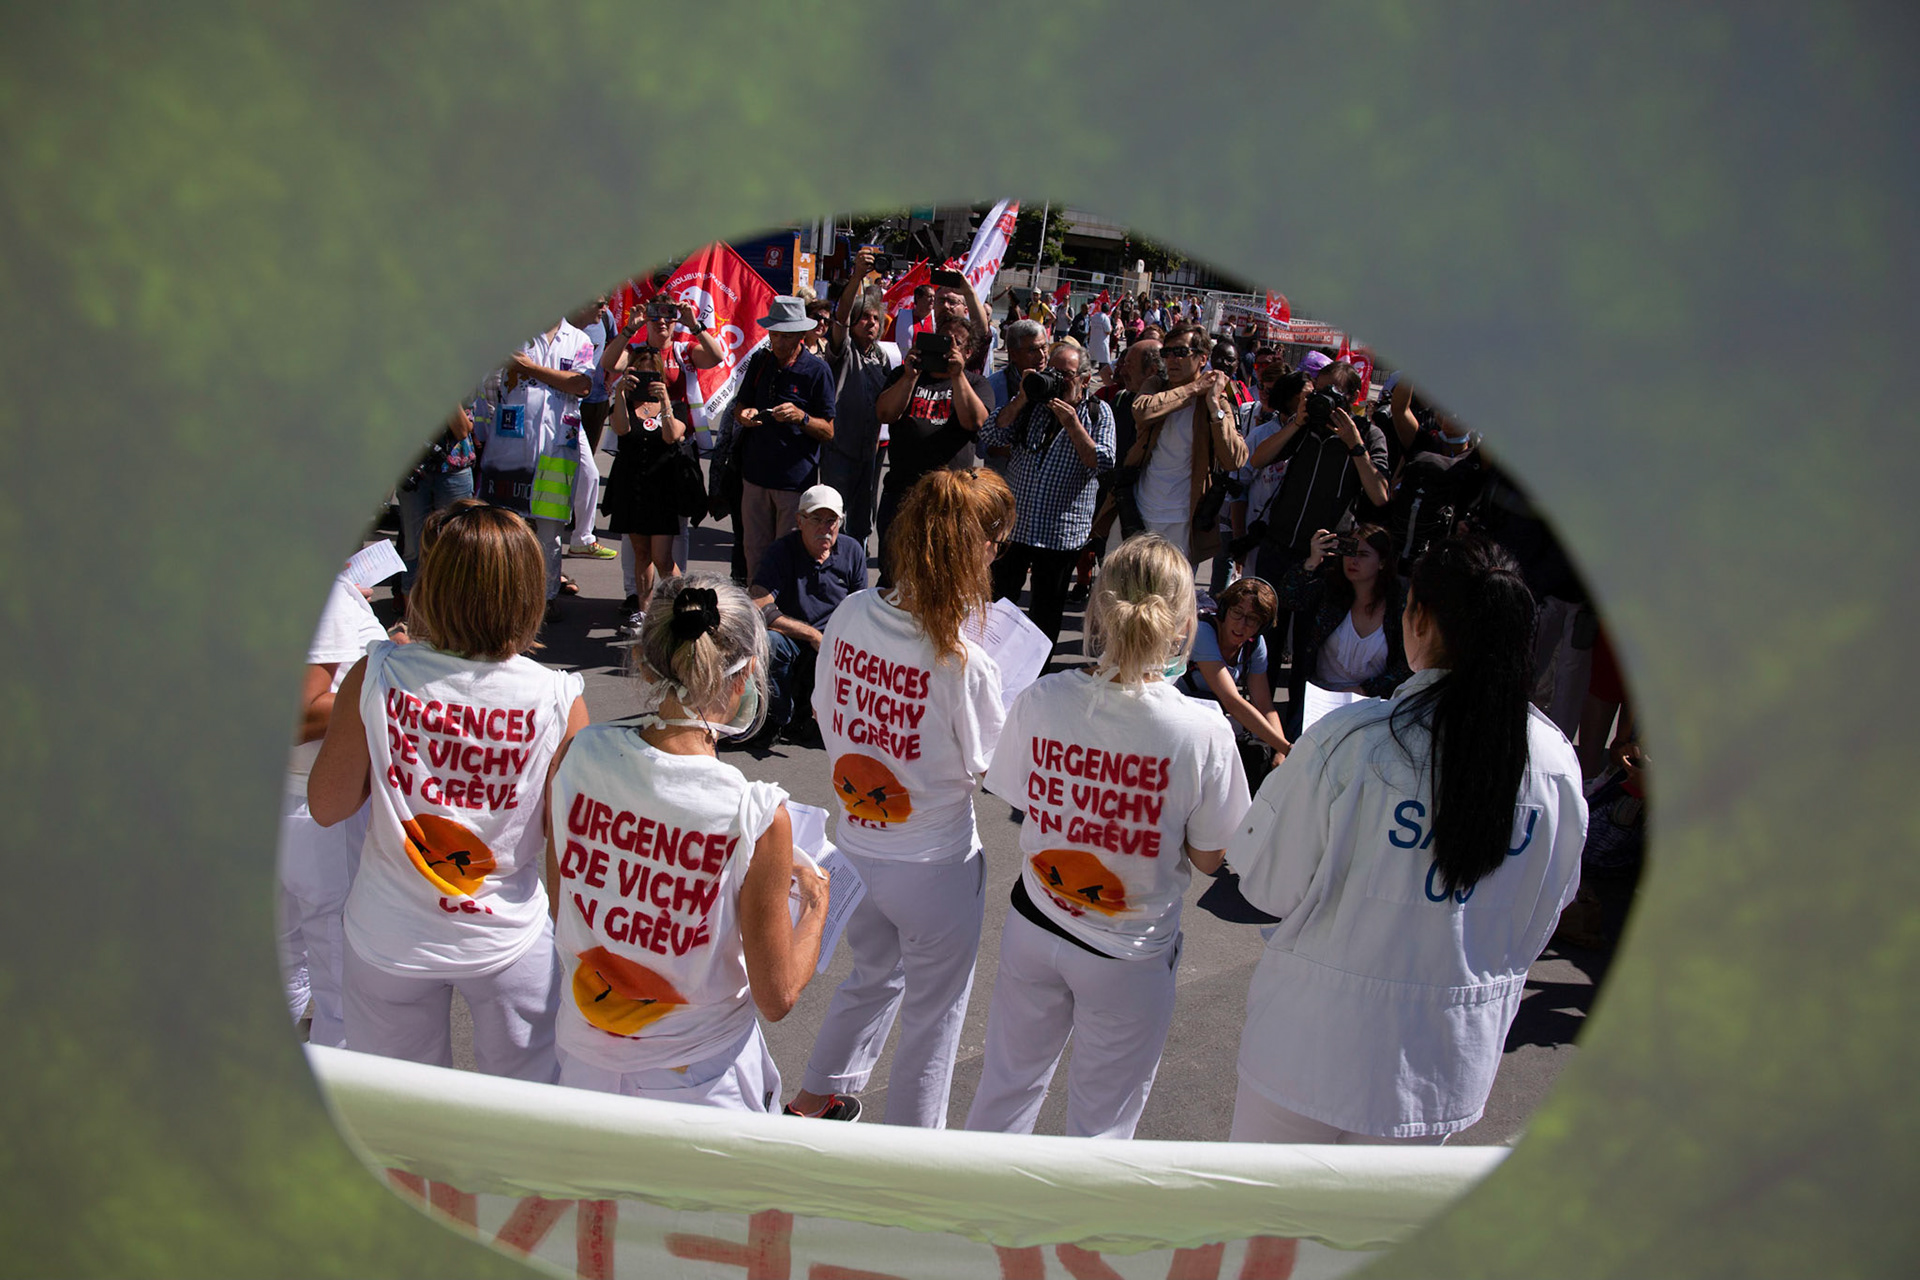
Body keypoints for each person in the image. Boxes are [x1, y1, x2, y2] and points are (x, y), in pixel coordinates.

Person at [1221, 536, 1587, 1144]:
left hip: (1310, 1045)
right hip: (1447, 1060)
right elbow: (1546, 908)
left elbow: (1267, 883)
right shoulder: (1553, 761)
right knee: (1375, 1238)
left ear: (1417, 620)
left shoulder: (1353, 741)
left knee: (1262, 1231)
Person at [966, 535, 1251, 1139]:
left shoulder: (1044, 697)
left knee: (1005, 1091)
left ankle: (972, 1221)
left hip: (1035, 922)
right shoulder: (1202, 731)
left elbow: (1015, 790)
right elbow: (1208, 856)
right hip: (1129, 951)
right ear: (1181, 628)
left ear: (1097, 609)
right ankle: (1074, 1236)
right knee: (1101, 1129)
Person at [309, 500, 588, 1080]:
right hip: (509, 939)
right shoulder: (557, 698)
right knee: (521, 1118)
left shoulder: (377, 672)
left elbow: (328, 804)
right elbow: (568, 849)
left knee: (401, 1124)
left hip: (387, 935)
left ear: (431, 586)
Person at [786, 468, 1015, 1127]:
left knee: (873, 976)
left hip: (854, 846)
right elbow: (987, 764)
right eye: (995, 545)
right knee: (934, 1016)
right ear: (975, 549)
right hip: (935, 863)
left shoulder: (853, 611)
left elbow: (826, 709)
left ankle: (814, 1098)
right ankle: (915, 1151)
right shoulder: (965, 661)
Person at [548, 576, 828, 1110]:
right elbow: (777, 996)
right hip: (703, 1083)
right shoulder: (756, 814)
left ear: (646, 660)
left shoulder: (579, 754)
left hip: (585, 1061)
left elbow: (564, 905)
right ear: (747, 672)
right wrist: (815, 902)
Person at [278, 570, 395, 1047]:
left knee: (284, 966)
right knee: (343, 997)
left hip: (293, 803)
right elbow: (299, 714)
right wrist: (390, 669)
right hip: (320, 812)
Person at [982, 339, 1116, 648]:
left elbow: (1102, 462)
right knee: (995, 603)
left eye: (1065, 375)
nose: (1056, 380)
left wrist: (1071, 422)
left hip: (1059, 535)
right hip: (1016, 528)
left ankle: (1037, 679)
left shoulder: (1098, 413)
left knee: (1045, 613)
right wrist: (1021, 398)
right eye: (1051, 371)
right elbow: (990, 433)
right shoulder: (1032, 406)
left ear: (1084, 379)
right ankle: (989, 661)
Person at [1104, 324, 1247, 564]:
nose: (1172, 359)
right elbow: (1142, 411)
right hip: (1137, 507)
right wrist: (1193, 389)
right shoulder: (1156, 385)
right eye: (1166, 353)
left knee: (1169, 596)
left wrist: (1213, 407)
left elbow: (1235, 459)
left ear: (1202, 358)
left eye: (1180, 352)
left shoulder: (1216, 399)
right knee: (1119, 586)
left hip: (1182, 517)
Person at [746, 484, 868, 747]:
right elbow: (760, 605)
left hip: (835, 637)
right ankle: (775, 720)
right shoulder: (781, 551)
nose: (825, 527)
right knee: (771, 643)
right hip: (792, 634)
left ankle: (828, 720)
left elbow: (861, 607)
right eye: (816, 519)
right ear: (800, 520)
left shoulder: (852, 551)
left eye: (831, 520)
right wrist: (812, 634)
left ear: (840, 522)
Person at [871, 315, 992, 579]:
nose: (947, 347)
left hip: (949, 500)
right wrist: (909, 377)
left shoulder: (975, 383)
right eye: (942, 339)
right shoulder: (904, 375)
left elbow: (974, 421)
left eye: (955, 343)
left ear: (968, 352)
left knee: (940, 576)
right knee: (893, 573)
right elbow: (885, 414)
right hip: (901, 495)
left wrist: (957, 375)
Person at [731, 296, 838, 583]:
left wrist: (801, 417)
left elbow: (828, 430)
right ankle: (758, 614)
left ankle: (783, 616)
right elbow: (739, 408)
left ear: (801, 335)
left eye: (785, 335)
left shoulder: (817, 370)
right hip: (754, 476)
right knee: (753, 552)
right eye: (774, 334)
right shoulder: (760, 361)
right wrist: (746, 416)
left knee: (787, 554)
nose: (777, 341)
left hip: (794, 482)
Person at [601, 345, 689, 636]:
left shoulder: (673, 405)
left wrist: (664, 401)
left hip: (661, 489)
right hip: (632, 486)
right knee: (641, 554)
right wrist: (620, 394)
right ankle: (644, 611)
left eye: (650, 372)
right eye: (638, 370)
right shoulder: (624, 403)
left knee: (663, 558)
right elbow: (621, 430)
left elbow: (671, 435)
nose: (643, 377)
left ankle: (686, 607)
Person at [1176, 575, 1289, 789]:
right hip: (1182, 718)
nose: (1242, 624)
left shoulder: (1255, 646)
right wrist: (1288, 747)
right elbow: (1231, 700)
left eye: (1252, 619)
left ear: (1262, 625)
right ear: (1225, 610)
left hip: (1211, 718)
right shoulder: (1204, 633)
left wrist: (1281, 754)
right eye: (1237, 613)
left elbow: (1265, 705)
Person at [821, 260, 902, 546]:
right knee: (835, 519)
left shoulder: (881, 356)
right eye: (865, 317)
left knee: (861, 522)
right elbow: (840, 318)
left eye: (876, 319)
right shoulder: (842, 351)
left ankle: (855, 575)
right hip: (838, 452)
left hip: (869, 454)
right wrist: (857, 276)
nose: (871, 323)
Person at [394, 408, 477, 606]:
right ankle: (412, 618)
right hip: (412, 468)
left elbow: (462, 431)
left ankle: (452, 613)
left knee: (456, 544)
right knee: (414, 547)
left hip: (453, 470)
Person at [1085, 301, 1114, 373]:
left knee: (1092, 359)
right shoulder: (1105, 318)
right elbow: (1107, 331)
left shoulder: (1094, 316)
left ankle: (1088, 373)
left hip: (1093, 341)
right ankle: (1103, 373)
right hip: (1102, 342)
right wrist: (1111, 328)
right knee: (1104, 360)